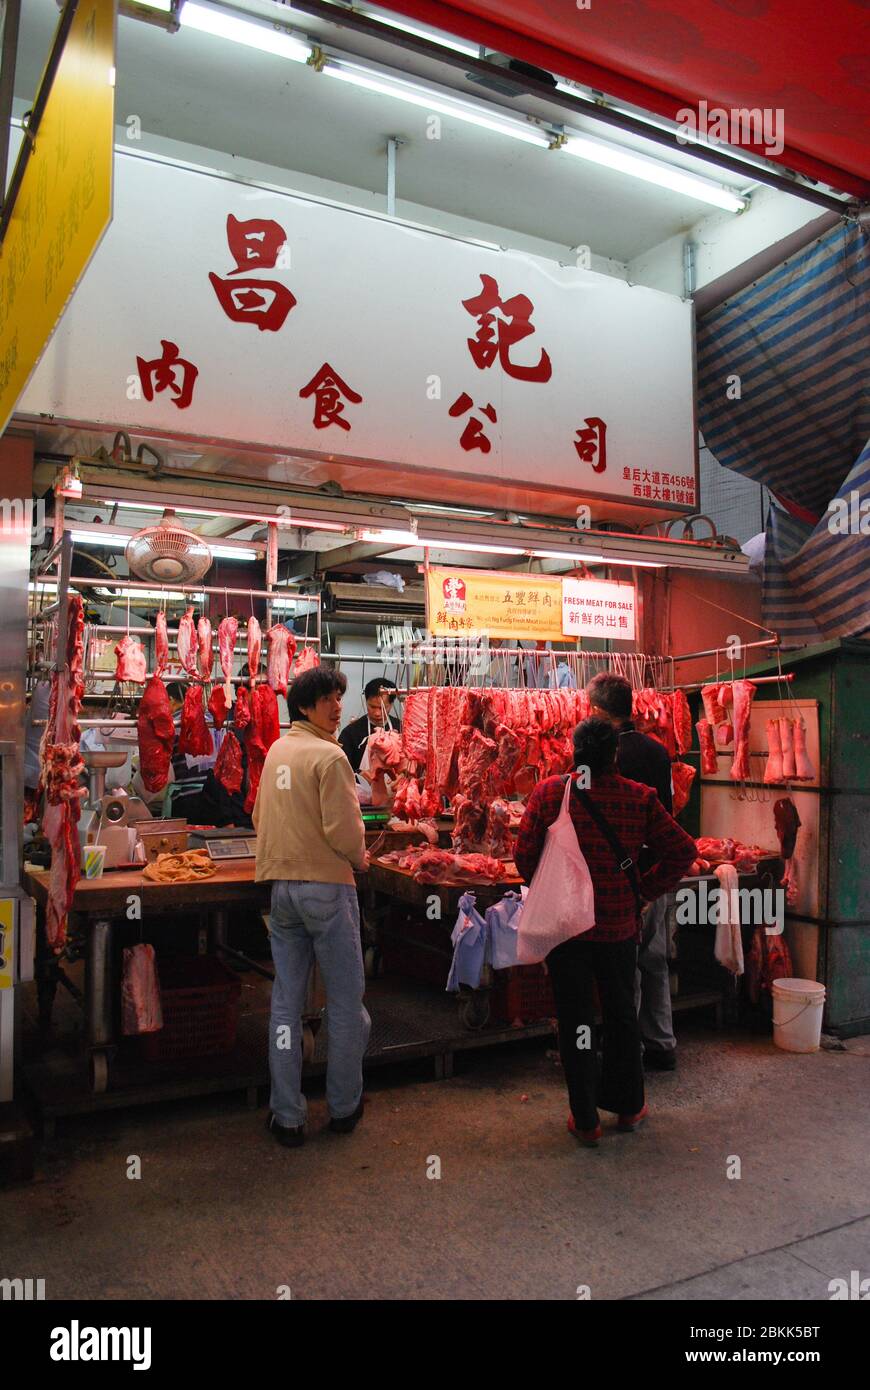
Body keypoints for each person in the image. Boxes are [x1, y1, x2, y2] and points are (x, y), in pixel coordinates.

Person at [514, 718, 695, 1145]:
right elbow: (683, 851)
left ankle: (586, 1119)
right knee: (620, 1016)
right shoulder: (639, 798)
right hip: (617, 927)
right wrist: (643, 891)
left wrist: (549, 885)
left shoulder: (549, 793)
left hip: (567, 929)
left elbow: (524, 857)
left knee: (577, 1019)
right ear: (615, 754)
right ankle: (630, 1108)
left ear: (573, 752)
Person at [253, 666, 369, 1148]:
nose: (337, 706)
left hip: (281, 893)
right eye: (327, 699)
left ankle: (287, 1116)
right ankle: (342, 1108)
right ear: (304, 706)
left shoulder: (279, 750)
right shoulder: (331, 757)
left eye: (339, 698)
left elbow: (260, 815)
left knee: (285, 1003)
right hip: (326, 888)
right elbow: (343, 832)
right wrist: (362, 860)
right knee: (344, 1005)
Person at [587, 671, 679, 1071]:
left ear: (596, 711)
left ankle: (627, 1052)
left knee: (627, 966)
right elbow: (669, 815)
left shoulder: (605, 758)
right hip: (652, 871)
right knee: (655, 960)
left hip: (619, 882)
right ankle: (661, 1043)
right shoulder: (658, 752)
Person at [338, 677, 401, 774]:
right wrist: (359, 774)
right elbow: (341, 769)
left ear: (391, 704)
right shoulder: (350, 732)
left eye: (382, 708)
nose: (377, 713)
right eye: (372, 706)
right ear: (366, 702)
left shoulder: (401, 727)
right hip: (361, 787)